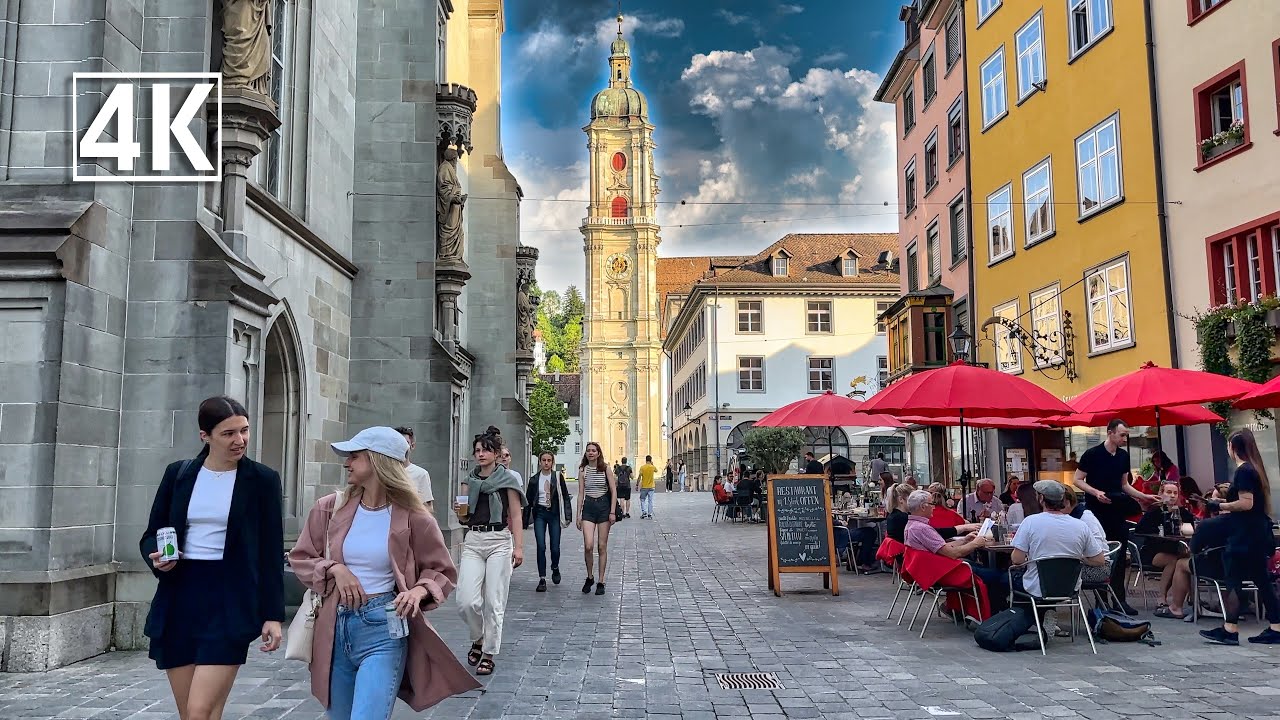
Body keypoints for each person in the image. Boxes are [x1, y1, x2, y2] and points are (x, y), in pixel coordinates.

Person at [290, 426, 479, 718]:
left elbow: (442, 570)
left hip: (383, 628)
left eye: (355, 456)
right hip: (333, 626)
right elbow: (301, 557)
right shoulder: (329, 508)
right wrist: (335, 569)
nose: (346, 463)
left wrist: (417, 591)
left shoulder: (415, 517)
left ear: (378, 461)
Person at [140, 396, 285, 720]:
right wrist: (156, 558)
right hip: (179, 596)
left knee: (198, 711)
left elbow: (270, 552)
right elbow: (152, 533)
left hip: (230, 601)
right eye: (228, 433)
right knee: (196, 714)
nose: (240, 440)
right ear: (205, 436)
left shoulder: (262, 480)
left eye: (244, 430)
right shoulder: (179, 474)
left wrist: (272, 615)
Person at [453, 427, 526, 675]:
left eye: (485, 450)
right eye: (477, 451)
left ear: (496, 454)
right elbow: (464, 517)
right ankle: (478, 637)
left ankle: (489, 653)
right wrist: (460, 512)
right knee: (466, 601)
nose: (480, 454)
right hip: (474, 539)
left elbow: (516, 515)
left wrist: (519, 547)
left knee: (494, 601)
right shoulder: (469, 481)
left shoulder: (508, 480)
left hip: (499, 540)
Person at [1197, 429, 1280, 645]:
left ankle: (1230, 629)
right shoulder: (1256, 469)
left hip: (1243, 536)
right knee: (1262, 581)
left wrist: (1219, 505)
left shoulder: (1244, 471)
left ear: (1233, 447)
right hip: (1256, 534)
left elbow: (1246, 503)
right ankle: (1276, 627)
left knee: (1233, 580)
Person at [1073, 419, 1157, 615]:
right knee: (1100, 554)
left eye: (1126, 435)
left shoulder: (1123, 456)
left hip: (1117, 509)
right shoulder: (1092, 454)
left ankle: (1120, 600)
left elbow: (1124, 485)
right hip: (1096, 512)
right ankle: (1101, 601)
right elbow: (1077, 479)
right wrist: (1095, 492)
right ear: (1110, 433)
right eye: (1122, 435)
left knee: (1119, 555)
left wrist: (1143, 496)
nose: (1124, 439)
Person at [902, 490, 1006, 613]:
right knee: (999, 575)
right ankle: (997, 612)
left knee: (985, 569)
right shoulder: (922, 528)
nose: (934, 507)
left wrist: (965, 540)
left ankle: (989, 611)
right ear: (923, 507)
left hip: (934, 571)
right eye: (932, 504)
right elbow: (953, 554)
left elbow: (941, 548)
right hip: (944, 573)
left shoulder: (912, 526)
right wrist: (975, 544)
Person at [1010, 481, 1107, 602]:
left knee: (1006, 578)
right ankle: (1046, 611)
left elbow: (1017, 560)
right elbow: (1099, 560)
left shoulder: (1030, 522)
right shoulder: (1081, 525)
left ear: (1041, 498)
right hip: (1070, 588)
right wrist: (1078, 558)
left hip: (1037, 589)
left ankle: (1027, 613)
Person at [1137, 482, 1196, 618]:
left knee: (1187, 559)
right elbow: (1139, 530)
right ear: (1161, 494)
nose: (1172, 496)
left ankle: (1193, 597)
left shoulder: (1183, 513)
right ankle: (1161, 597)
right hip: (1153, 551)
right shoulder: (1154, 512)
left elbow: (1191, 529)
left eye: (1175, 493)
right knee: (1173, 561)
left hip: (1176, 549)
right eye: (1169, 492)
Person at [527, 451, 572, 592]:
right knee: (541, 545)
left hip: (554, 514)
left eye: (549, 460)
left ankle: (555, 567)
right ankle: (542, 578)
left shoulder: (557, 477)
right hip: (540, 514)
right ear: (540, 462)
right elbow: (528, 500)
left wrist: (568, 515)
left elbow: (565, 496)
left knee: (555, 547)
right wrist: (524, 520)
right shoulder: (534, 480)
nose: (546, 463)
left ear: (552, 462)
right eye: (544, 460)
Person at [577, 442, 618, 595]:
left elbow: (613, 490)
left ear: (598, 453)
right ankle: (590, 576)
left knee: (601, 546)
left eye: (594, 450)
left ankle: (601, 580)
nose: (591, 453)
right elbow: (581, 493)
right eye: (588, 450)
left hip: (603, 507)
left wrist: (612, 511)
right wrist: (578, 515)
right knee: (588, 545)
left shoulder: (605, 468)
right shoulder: (583, 470)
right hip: (588, 507)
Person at [396, 426, 434, 513]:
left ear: (412, 446)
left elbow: (429, 509)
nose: (401, 446)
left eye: (405, 443)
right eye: (397, 442)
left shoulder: (421, 474)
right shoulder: (384, 472)